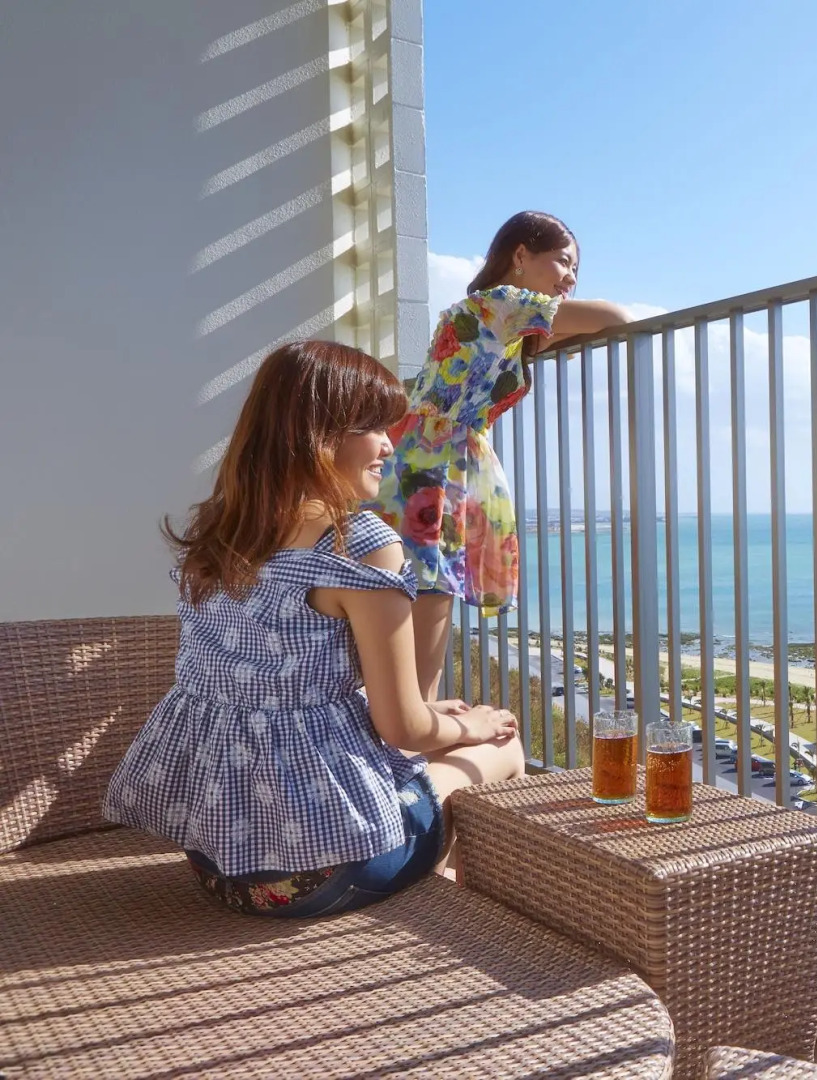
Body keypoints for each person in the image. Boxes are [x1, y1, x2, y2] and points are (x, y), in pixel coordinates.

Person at [104, 340, 524, 917]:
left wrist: (436, 722)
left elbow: (291, 691)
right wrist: (470, 724)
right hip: (324, 875)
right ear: (317, 438)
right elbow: (402, 726)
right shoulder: (362, 546)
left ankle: (433, 880)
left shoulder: (220, 534)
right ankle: (459, 910)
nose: (386, 444)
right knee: (503, 744)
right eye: (370, 427)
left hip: (220, 867)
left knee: (443, 737)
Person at [370, 211, 632, 698]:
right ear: (520, 256)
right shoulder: (508, 302)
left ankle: (405, 714)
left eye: (575, 270)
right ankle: (414, 721)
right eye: (562, 262)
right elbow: (618, 319)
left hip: (416, 453)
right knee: (432, 584)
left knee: (416, 583)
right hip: (434, 461)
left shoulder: (478, 309)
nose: (570, 278)